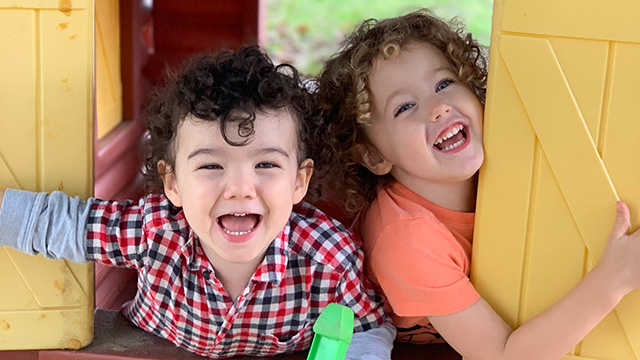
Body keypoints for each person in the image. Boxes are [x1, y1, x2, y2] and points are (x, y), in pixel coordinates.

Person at [0, 46, 395, 359]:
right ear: (172, 183)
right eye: (210, 165)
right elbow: (65, 224)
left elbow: (367, 327)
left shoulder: (327, 257)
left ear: (299, 181)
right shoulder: (155, 230)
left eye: (265, 163)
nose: (240, 188)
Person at [313, 8, 640, 360]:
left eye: (443, 84)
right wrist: (612, 281)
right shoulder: (407, 237)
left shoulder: (511, 166)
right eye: (405, 107)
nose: (438, 108)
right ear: (375, 157)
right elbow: (500, 355)